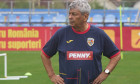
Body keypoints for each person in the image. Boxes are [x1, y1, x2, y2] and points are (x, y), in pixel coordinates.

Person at [41, 0, 121, 84]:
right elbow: (44, 54)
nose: (70, 17)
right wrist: (52, 75)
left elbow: (116, 55)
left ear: (85, 17)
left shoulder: (98, 34)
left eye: (74, 14)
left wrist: (106, 73)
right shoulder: (61, 33)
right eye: (69, 13)